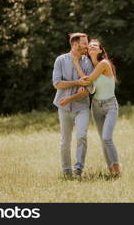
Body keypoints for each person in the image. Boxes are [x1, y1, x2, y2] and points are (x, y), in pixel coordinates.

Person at [71, 39, 122, 177]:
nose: (92, 47)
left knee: (107, 138)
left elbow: (87, 80)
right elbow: (88, 84)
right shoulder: (89, 67)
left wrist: (75, 62)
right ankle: (111, 171)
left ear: (100, 50)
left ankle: (117, 169)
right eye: (90, 46)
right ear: (88, 50)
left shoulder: (104, 64)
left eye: (95, 45)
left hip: (110, 105)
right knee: (103, 140)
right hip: (96, 106)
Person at [52, 33, 93, 178]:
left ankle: (78, 170)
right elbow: (57, 84)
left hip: (82, 106)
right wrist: (77, 82)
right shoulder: (60, 60)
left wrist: (80, 85)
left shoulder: (87, 62)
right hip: (63, 108)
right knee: (65, 141)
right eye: (84, 43)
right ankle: (66, 171)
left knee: (81, 136)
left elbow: (87, 86)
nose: (87, 46)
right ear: (75, 44)